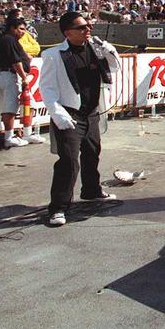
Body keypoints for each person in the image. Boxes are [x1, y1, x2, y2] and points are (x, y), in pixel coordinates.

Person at [39, 12, 121, 226]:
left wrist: (110, 52)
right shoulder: (54, 55)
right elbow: (46, 88)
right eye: (82, 27)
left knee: (93, 152)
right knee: (68, 160)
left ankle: (91, 190)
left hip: (91, 111)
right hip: (70, 112)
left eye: (89, 26)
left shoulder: (95, 49)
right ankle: (58, 207)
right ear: (68, 32)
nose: (88, 30)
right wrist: (58, 114)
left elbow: (113, 68)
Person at [0, 17, 42, 148]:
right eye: (21, 29)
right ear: (12, 28)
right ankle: (8, 136)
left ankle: (27, 132)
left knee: (29, 103)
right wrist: (24, 77)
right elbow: (16, 61)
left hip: (15, 75)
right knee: (10, 106)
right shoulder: (8, 39)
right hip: (9, 75)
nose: (23, 32)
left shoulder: (13, 40)